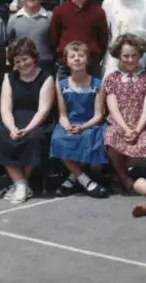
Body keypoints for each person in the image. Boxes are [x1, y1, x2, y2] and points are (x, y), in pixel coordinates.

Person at [0, 38, 55, 204]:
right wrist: (11, 127)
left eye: (25, 59)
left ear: (34, 57)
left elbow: (43, 110)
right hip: (14, 120)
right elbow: (5, 108)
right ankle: (21, 183)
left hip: (37, 121)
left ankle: (20, 184)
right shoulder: (9, 78)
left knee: (35, 138)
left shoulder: (47, 78)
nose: (22, 64)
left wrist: (27, 129)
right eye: (17, 61)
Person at [50, 42, 110, 198]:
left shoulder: (97, 84)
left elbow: (98, 115)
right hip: (70, 122)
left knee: (90, 138)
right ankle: (86, 181)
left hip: (90, 124)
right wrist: (68, 127)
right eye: (72, 56)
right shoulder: (62, 85)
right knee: (59, 139)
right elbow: (62, 115)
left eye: (81, 56)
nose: (77, 59)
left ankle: (72, 179)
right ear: (67, 61)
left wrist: (83, 127)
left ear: (87, 60)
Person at [103, 34, 146, 194]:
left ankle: (119, 175)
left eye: (134, 55)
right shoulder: (112, 78)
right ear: (119, 55)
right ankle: (125, 178)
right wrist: (125, 129)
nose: (130, 59)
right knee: (110, 137)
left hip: (141, 123)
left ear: (140, 55)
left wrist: (137, 130)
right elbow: (113, 107)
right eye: (126, 56)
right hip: (120, 123)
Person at [50, 0, 108, 79]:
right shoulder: (59, 11)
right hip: (66, 66)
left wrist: (94, 57)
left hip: (91, 66)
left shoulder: (98, 12)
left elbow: (103, 39)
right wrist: (62, 57)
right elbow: (53, 38)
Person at [101, 0, 146, 76]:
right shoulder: (108, 3)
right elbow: (106, 34)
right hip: (114, 59)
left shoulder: (144, 3)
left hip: (137, 59)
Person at [7, 0, 55, 74]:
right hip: (22, 68)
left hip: (46, 66)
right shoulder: (14, 19)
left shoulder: (50, 17)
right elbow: (11, 42)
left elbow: (55, 42)